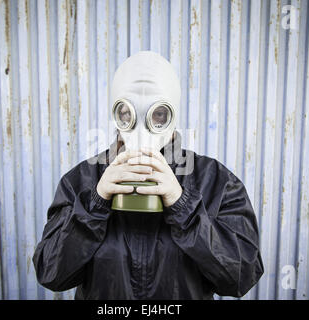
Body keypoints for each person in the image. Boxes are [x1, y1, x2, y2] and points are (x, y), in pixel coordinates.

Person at [32, 51, 264, 299]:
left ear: (172, 115)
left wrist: (183, 206)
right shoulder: (81, 181)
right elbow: (51, 273)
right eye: (127, 113)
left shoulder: (217, 182)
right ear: (117, 114)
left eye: (158, 115)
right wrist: (94, 204)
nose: (142, 128)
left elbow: (242, 276)